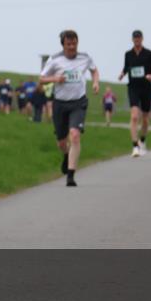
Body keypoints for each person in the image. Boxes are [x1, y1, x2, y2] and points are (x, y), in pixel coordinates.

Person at [39, 30, 100, 187]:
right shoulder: (54, 59)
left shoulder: (85, 57)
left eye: (74, 43)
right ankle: (66, 155)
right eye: (68, 44)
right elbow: (42, 79)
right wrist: (55, 78)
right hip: (60, 103)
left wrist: (95, 82)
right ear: (63, 45)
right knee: (61, 142)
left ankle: (71, 175)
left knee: (74, 135)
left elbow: (94, 70)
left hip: (78, 102)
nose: (72, 47)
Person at [117, 30, 151, 158]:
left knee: (145, 119)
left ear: (142, 39)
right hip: (133, 88)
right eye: (135, 38)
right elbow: (127, 67)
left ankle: (142, 140)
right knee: (134, 116)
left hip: (146, 88)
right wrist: (122, 73)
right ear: (132, 39)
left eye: (139, 38)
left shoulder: (149, 54)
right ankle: (135, 146)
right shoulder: (128, 54)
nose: (137, 40)